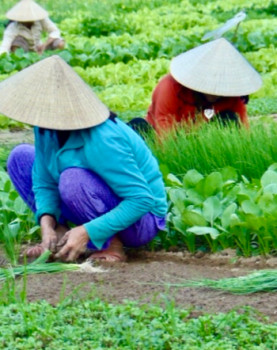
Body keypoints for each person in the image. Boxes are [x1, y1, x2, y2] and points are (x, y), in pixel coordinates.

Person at [0, 56, 167, 262]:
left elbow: (141, 200)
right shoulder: (45, 128)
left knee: (72, 179)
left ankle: (112, 244)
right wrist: (47, 222)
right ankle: (59, 235)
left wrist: (86, 231)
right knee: (20, 158)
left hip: (140, 221)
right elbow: (43, 181)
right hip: (88, 200)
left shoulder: (103, 139)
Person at [146, 38, 262, 135]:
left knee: (229, 118)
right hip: (167, 134)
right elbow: (164, 132)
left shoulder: (233, 96)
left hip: (201, 137)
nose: (215, 93)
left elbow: (243, 131)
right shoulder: (170, 87)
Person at [0, 0, 65, 55]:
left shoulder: (41, 19)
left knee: (60, 43)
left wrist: (44, 45)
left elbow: (55, 31)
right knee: (17, 43)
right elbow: (5, 46)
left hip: (39, 48)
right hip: (24, 51)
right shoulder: (13, 27)